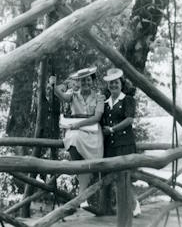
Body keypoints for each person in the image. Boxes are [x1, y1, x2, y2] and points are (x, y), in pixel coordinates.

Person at [49, 67, 105, 206]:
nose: (85, 82)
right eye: (82, 80)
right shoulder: (73, 94)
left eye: (88, 79)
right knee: (73, 138)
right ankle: (77, 172)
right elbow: (61, 96)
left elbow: (97, 117)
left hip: (92, 132)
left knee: (86, 159)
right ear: (78, 82)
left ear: (92, 81)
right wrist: (54, 85)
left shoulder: (99, 97)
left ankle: (82, 195)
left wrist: (79, 124)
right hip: (76, 131)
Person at [101, 68, 141, 218]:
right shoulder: (104, 103)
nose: (113, 85)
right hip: (110, 146)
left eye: (116, 83)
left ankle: (134, 204)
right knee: (113, 177)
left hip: (124, 144)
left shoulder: (128, 100)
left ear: (121, 83)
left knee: (125, 176)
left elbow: (129, 120)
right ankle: (124, 207)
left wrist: (112, 129)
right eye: (111, 83)